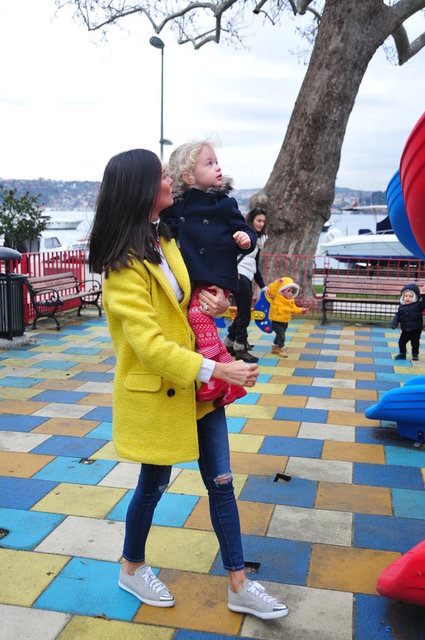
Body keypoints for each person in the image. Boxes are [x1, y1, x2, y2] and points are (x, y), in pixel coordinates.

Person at [89, 148, 288, 620]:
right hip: (163, 389)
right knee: (153, 484)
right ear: (141, 189)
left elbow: (188, 301)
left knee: (222, 482)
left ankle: (239, 583)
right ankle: (131, 567)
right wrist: (219, 370)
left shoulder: (165, 239)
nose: (170, 183)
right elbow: (149, 346)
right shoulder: (122, 267)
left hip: (196, 388)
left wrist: (219, 307)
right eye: (162, 176)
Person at [161, 141, 257, 407]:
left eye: (216, 162)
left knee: (197, 316)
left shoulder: (225, 203)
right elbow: (166, 226)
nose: (217, 167)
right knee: (198, 321)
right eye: (209, 163)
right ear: (188, 176)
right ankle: (225, 376)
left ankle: (214, 376)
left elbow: (245, 230)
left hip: (215, 275)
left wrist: (245, 240)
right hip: (193, 275)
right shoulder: (178, 206)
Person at [223, 207, 267, 363]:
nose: (261, 224)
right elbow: (231, 254)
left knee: (243, 312)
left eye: (263, 221)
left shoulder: (257, 241)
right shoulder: (244, 236)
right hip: (239, 275)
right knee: (245, 313)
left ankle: (229, 342)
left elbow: (255, 266)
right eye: (258, 220)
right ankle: (240, 348)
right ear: (251, 220)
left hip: (247, 276)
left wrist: (263, 287)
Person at [266, 276, 308, 357]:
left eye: (292, 292)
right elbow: (271, 291)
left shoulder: (290, 300)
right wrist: (277, 283)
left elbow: (294, 309)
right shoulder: (276, 296)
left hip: (285, 321)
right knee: (282, 336)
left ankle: (274, 347)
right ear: (282, 290)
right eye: (288, 291)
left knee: (279, 335)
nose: (290, 293)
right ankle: (281, 349)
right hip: (276, 321)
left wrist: (301, 310)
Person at [391, 283, 425, 361]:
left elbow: (424, 303)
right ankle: (402, 353)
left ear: (415, 297)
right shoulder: (401, 307)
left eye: (410, 296)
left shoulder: (418, 305)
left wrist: (423, 295)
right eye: (406, 296)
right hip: (405, 330)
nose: (407, 298)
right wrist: (394, 323)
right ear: (403, 297)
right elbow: (397, 316)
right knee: (401, 342)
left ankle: (415, 354)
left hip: (415, 330)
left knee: (415, 343)